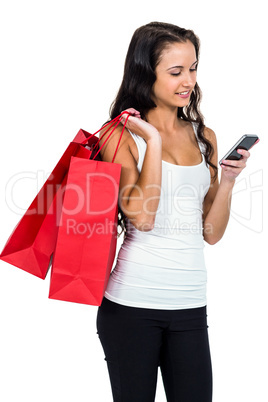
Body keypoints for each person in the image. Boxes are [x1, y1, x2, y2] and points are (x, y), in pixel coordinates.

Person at [96, 21, 250, 402]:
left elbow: (211, 234)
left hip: (190, 304)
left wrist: (228, 181)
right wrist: (152, 138)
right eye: (176, 72)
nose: (189, 82)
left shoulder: (204, 136)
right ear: (147, 73)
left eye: (193, 68)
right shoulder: (119, 135)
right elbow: (143, 217)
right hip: (132, 305)